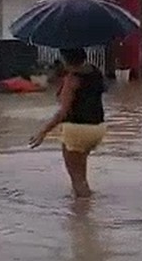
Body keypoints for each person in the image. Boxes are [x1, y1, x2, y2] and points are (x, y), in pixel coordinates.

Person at [29, 48, 106, 198]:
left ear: (65, 60)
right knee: (81, 176)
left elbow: (63, 112)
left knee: (77, 180)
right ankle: (82, 204)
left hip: (76, 130)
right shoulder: (96, 72)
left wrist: (43, 132)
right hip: (97, 129)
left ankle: (83, 211)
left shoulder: (72, 79)